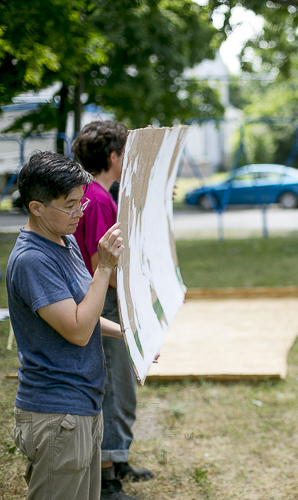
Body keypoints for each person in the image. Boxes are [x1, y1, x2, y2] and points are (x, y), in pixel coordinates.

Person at [8, 151, 124, 500]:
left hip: (82, 405)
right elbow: (76, 330)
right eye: (70, 205)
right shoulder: (32, 260)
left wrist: (126, 332)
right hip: (56, 413)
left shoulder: (65, 239)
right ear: (36, 207)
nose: (79, 213)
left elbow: (81, 311)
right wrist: (103, 268)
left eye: (81, 203)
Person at [71, 121, 153, 500]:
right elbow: (99, 261)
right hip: (102, 300)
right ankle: (106, 477)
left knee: (120, 382)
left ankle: (116, 459)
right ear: (113, 157)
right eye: (126, 153)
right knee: (113, 384)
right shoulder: (99, 199)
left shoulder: (93, 194)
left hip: (98, 297)